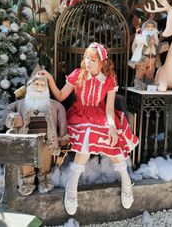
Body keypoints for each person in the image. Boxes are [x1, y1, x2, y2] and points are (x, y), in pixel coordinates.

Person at [38, 42, 139, 215]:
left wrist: (112, 126)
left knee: (110, 136)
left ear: (102, 63)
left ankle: (126, 181)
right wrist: (49, 79)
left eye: (92, 59)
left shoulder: (109, 81)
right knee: (87, 132)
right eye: (86, 58)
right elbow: (61, 95)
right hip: (80, 115)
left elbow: (108, 110)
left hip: (100, 115)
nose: (88, 62)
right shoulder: (78, 74)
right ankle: (72, 187)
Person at [5, 74, 68, 196]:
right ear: (29, 86)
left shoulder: (54, 105)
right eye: (36, 84)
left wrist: (62, 136)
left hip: (46, 140)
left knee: (45, 161)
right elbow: (7, 109)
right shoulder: (20, 104)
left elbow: (62, 117)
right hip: (26, 141)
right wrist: (13, 117)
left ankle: (44, 180)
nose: (39, 87)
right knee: (26, 161)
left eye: (42, 84)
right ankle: (26, 182)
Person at [128, 19, 160, 90]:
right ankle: (138, 83)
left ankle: (149, 83)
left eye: (152, 26)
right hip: (144, 57)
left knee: (150, 71)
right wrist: (148, 39)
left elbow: (157, 47)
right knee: (141, 70)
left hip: (152, 58)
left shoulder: (156, 38)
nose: (150, 28)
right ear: (145, 27)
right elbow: (137, 40)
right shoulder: (141, 36)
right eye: (148, 26)